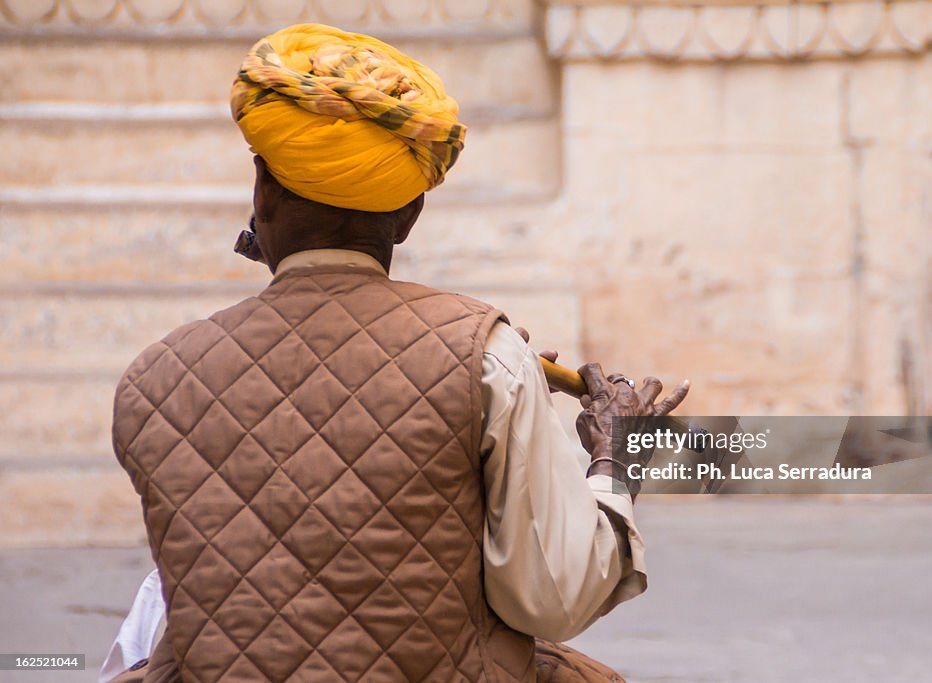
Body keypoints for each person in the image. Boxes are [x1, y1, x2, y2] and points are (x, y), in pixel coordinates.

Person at [106, 23, 688, 683]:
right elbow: (555, 595)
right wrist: (613, 456)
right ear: (409, 214)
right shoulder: (488, 356)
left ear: (262, 191)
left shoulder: (152, 379)